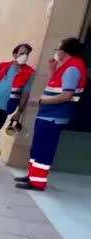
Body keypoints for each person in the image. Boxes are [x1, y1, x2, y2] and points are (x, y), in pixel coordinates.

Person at [15, 38, 87, 191]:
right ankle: (32, 176)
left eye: (58, 49)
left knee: (43, 150)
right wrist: (52, 70)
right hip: (48, 115)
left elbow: (66, 96)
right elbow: (56, 86)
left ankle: (37, 182)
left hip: (54, 117)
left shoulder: (72, 69)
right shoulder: (66, 67)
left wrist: (41, 101)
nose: (56, 52)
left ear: (64, 51)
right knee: (37, 148)